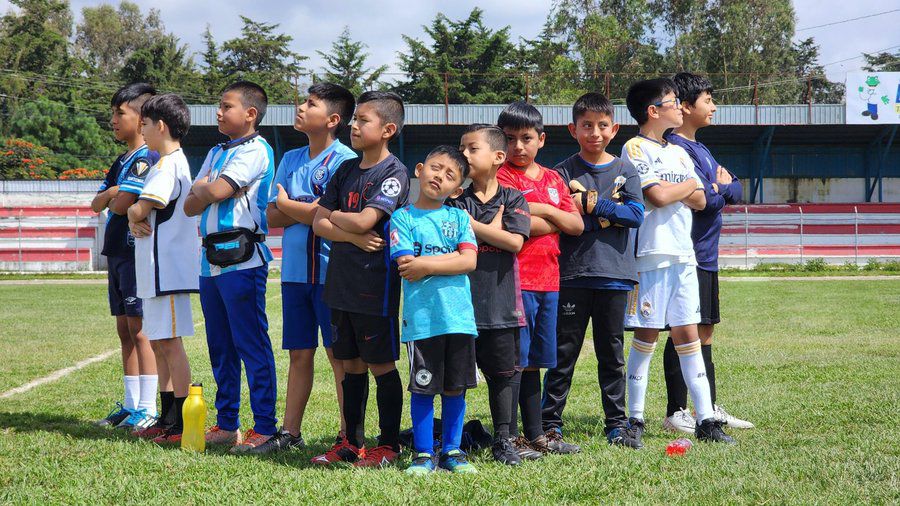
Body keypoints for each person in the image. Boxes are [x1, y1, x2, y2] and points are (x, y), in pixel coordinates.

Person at [620, 78, 733, 445]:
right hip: (650, 257)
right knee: (647, 335)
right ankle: (635, 419)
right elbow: (657, 195)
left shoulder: (679, 152)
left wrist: (684, 191)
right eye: (672, 101)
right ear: (653, 111)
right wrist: (688, 188)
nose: (679, 106)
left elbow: (700, 201)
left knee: (688, 334)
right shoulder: (635, 148)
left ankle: (705, 420)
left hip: (684, 255)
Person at [250, 83, 359, 454]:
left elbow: (329, 215)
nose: (300, 107)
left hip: (331, 273)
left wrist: (292, 205)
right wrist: (305, 209)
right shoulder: (291, 158)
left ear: (332, 119)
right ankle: (290, 432)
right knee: (299, 354)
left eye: (310, 104)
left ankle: (348, 433)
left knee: (338, 356)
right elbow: (272, 214)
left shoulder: (345, 160)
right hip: (294, 274)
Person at [311, 91, 410, 467]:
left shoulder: (394, 173)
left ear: (388, 130)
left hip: (374, 287)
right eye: (354, 119)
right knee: (350, 363)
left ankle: (388, 445)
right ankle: (351, 443)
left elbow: (368, 219)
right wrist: (351, 234)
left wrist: (336, 217)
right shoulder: (345, 169)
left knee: (380, 365)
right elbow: (319, 223)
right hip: (340, 284)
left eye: (363, 120)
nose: (353, 125)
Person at [542, 92, 644, 450]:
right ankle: (550, 424)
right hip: (571, 275)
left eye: (602, 125)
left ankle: (616, 424)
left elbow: (635, 215)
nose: (595, 133)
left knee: (611, 355)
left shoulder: (626, 170)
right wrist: (605, 218)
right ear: (573, 129)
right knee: (562, 353)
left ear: (614, 129)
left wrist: (593, 206)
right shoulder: (561, 173)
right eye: (587, 125)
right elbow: (560, 221)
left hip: (615, 276)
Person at [183, 81, 278, 452]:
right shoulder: (216, 151)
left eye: (226, 106)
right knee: (220, 346)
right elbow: (190, 204)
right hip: (210, 262)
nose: (218, 113)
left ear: (250, 114)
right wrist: (209, 188)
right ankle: (227, 424)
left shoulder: (256, 149)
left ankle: (265, 427)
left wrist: (209, 188)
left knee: (251, 344)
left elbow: (214, 192)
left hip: (243, 260)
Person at [662, 72, 753, 432]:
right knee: (682, 330)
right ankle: (676, 411)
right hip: (689, 252)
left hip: (707, 254)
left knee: (704, 331)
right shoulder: (676, 149)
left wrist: (720, 187)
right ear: (685, 106)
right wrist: (719, 188)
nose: (714, 106)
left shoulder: (700, 147)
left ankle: (708, 407)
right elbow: (703, 200)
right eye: (708, 100)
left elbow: (735, 189)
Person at [496, 101, 584, 458]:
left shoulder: (552, 179)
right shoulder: (501, 177)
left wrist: (544, 211)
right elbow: (512, 219)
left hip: (549, 281)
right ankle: (510, 436)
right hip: (515, 281)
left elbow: (576, 224)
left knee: (534, 360)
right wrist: (554, 216)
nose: (518, 146)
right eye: (510, 138)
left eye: (526, 138)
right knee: (515, 361)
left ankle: (536, 434)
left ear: (541, 139)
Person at [391, 146, 479, 475]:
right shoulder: (402, 218)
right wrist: (451, 259)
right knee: (423, 387)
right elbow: (406, 265)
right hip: (422, 322)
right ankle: (424, 453)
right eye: (435, 168)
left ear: (456, 190)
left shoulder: (459, 218)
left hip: (459, 319)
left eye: (450, 175)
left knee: (455, 388)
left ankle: (453, 451)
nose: (440, 176)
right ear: (419, 170)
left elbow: (469, 261)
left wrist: (426, 264)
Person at [450, 124, 531, 466]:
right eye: (461, 148)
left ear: (498, 157)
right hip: (458, 307)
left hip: (501, 305)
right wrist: (491, 231)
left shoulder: (513, 198)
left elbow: (514, 242)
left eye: (472, 148)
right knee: (455, 379)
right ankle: (450, 442)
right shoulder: (454, 200)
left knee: (502, 375)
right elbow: (450, 242)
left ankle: (504, 440)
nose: (463, 155)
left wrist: (473, 227)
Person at [126, 93, 199, 444]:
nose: (141, 130)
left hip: (167, 270)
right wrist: (134, 216)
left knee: (170, 343)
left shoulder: (169, 165)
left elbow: (141, 207)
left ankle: (181, 421)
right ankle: (168, 416)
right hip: (155, 271)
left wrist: (132, 214)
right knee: (158, 342)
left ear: (161, 126)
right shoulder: (165, 163)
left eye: (144, 124)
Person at [91, 83, 160, 431]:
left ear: (142, 117)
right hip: (117, 251)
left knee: (140, 329)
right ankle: (131, 404)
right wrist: (113, 193)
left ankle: (148, 407)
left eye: (120, 113)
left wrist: (113, 195)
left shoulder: (148, 157)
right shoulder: (121, 160)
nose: (114, 120)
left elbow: (119, 204)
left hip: (136, 253)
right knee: (124, 329)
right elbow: (97, 203)